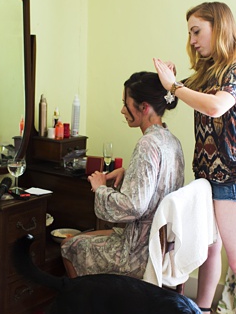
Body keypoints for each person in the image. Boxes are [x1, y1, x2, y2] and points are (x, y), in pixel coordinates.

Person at [154, 2, 236, 314]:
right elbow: (173, 98)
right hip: (205, 176)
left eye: (197, 30)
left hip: (231, 178)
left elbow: (216, 108)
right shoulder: (207, 71)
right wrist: (169, 83)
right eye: (189, 32)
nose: (192, 39)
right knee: (209, 252)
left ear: (219, 27)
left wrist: (176, 85)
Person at [62, 72, 184, 279]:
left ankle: (89, 308)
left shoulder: (147, 144)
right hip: (161, 246)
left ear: (144, 107)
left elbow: (133, 206)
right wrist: (128, 173)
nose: (122, 110)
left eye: (126, 104)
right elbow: (160, 183)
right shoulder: (171, 141)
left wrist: (100, 188)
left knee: (69, 246)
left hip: (138, 253)